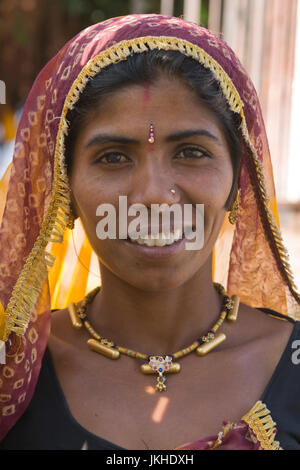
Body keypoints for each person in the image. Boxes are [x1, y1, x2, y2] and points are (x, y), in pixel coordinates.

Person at [0, 13, 299, 451]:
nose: (156, 196)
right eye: (114, 157)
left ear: (238, 181)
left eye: (192, 152)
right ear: (63, 187)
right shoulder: (15, 374)